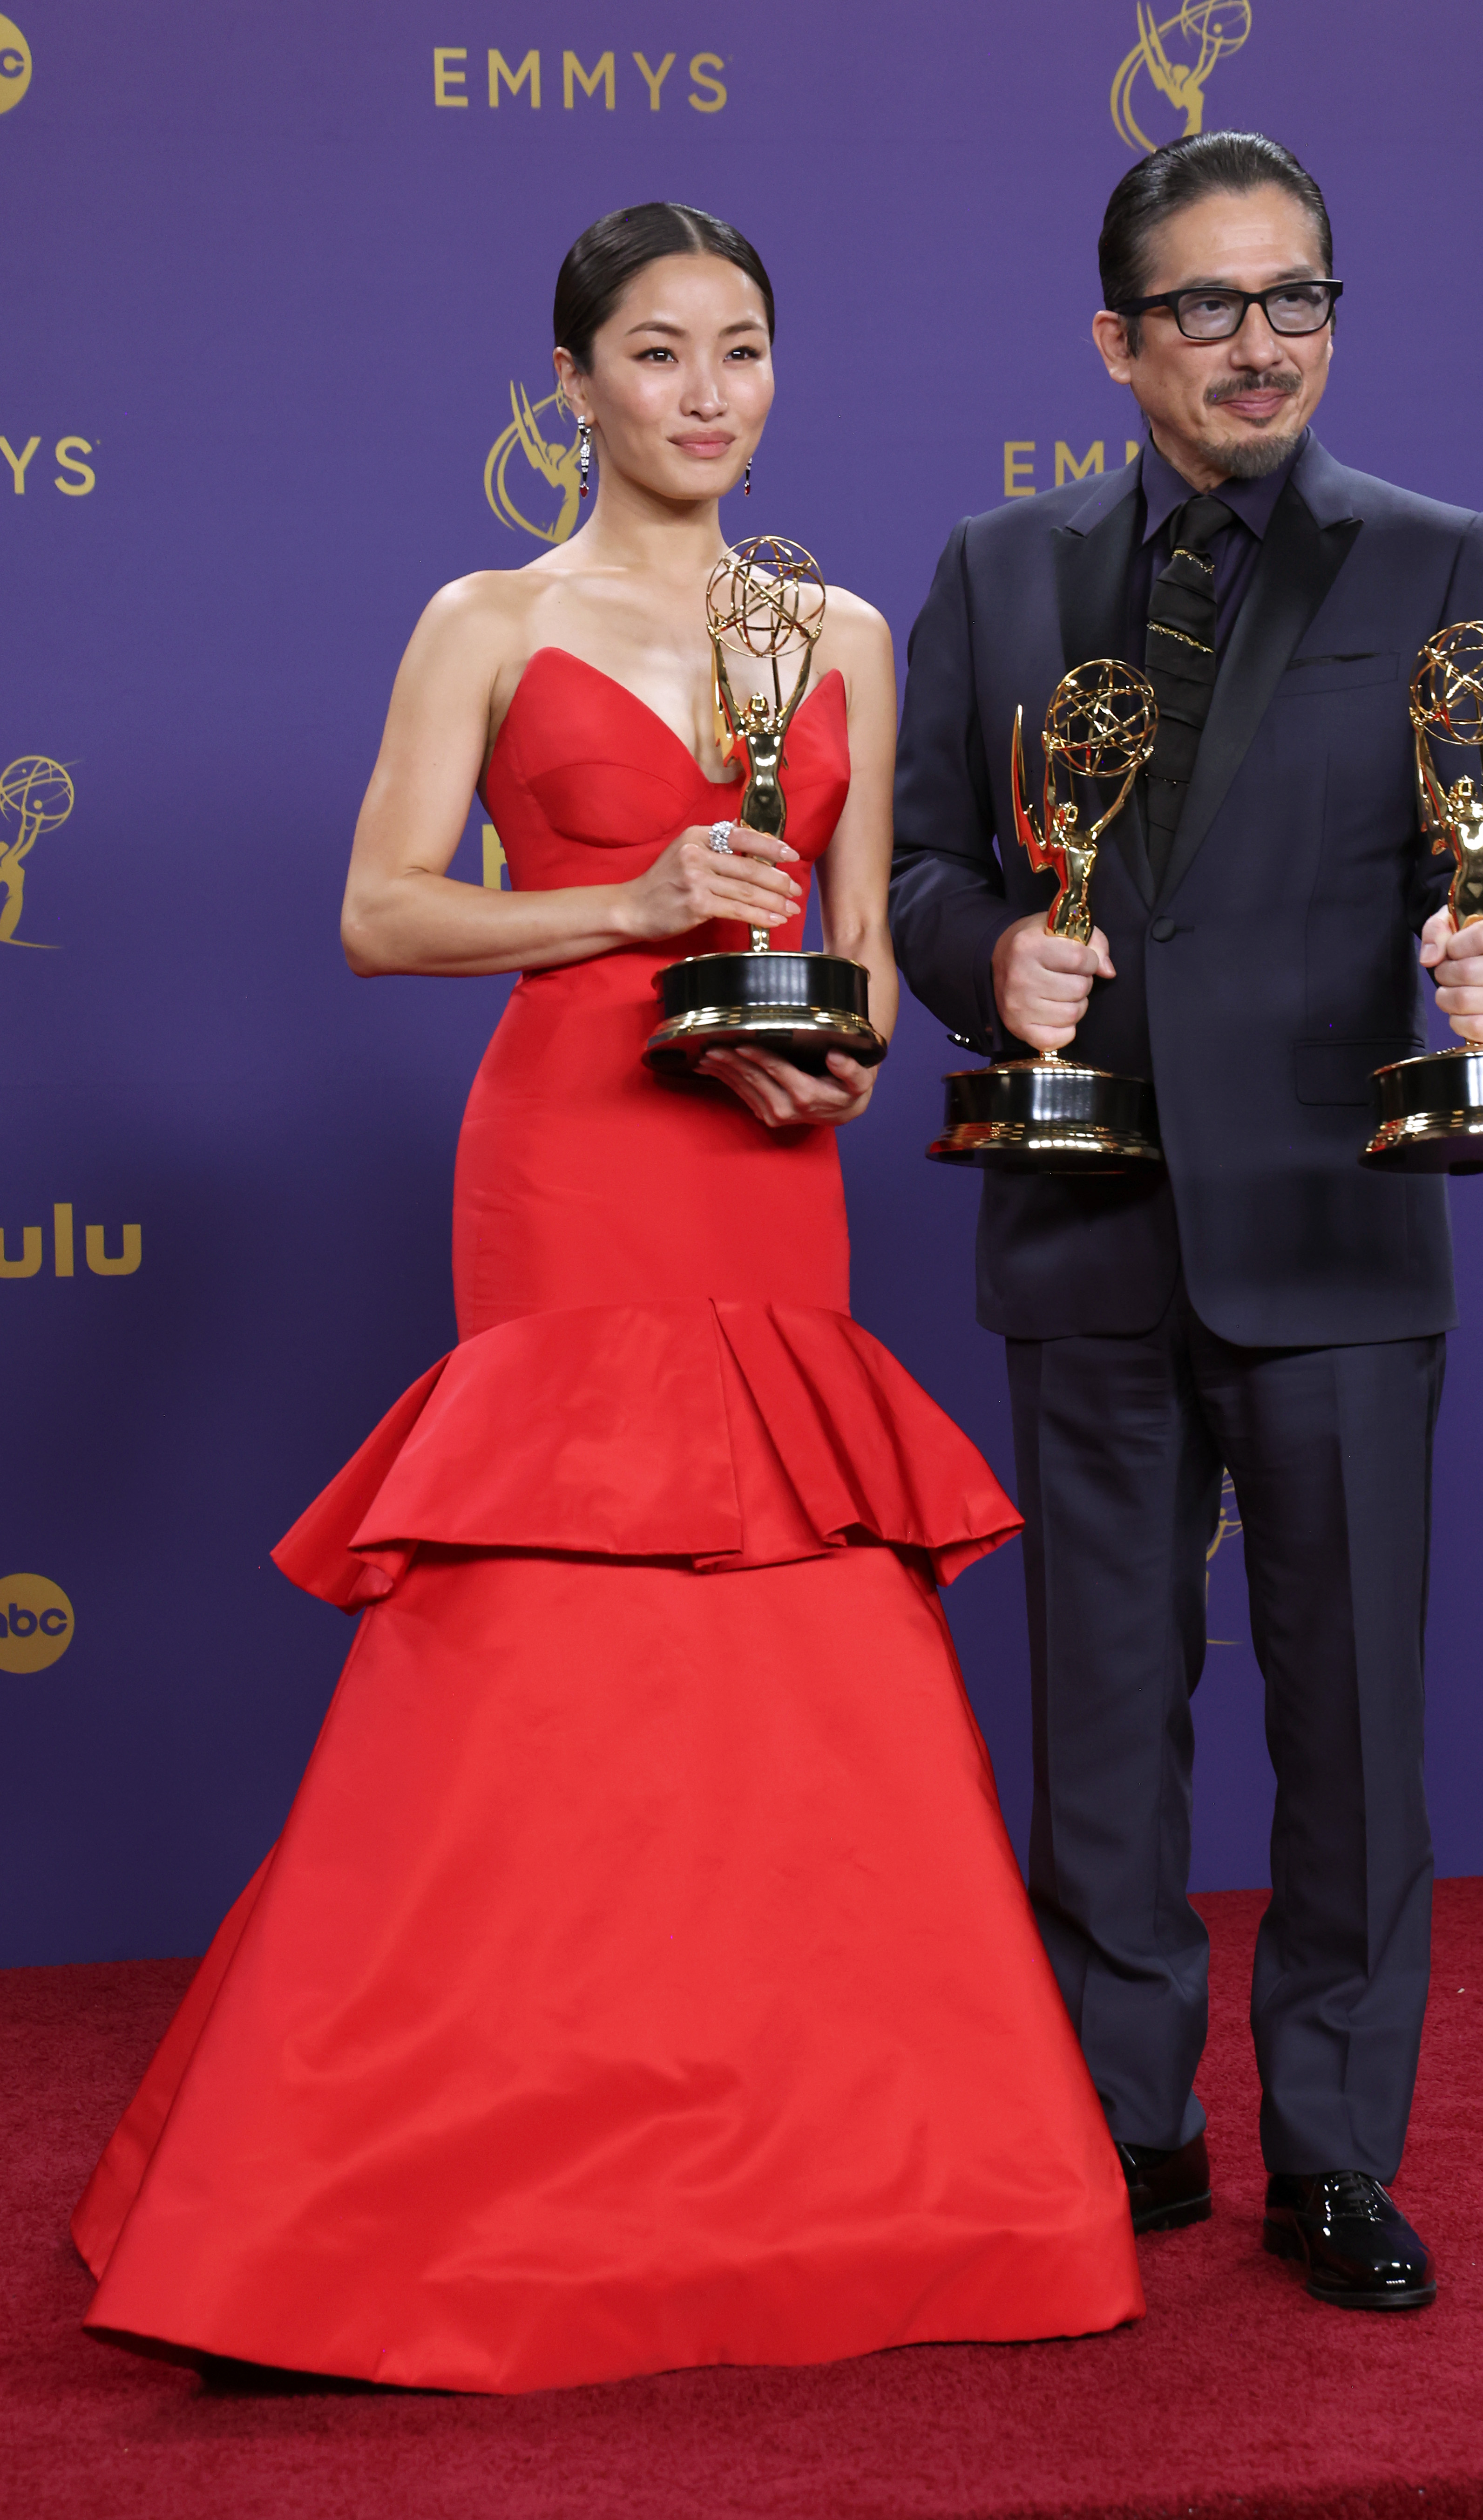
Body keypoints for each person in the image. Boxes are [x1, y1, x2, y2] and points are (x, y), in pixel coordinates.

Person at [72, 202, 1140, 2392]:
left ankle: (870, 2183)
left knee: (794, 1642)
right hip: (567, 1168)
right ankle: (358, 2200)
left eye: (740, 349)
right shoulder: (487, 615)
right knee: (537, 1657)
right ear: (574, 382)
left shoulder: (838, 627)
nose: (704, 393)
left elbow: (850, 949)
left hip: (765, 1185)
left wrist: (823, 1057)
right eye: (657, 354)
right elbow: (383, 910)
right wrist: (628, 903)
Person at [890, 133, 1483, 2312]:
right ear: (1116, 340)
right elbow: (913, 869)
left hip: (1339, 1230)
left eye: (1294, 300)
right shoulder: (996, 570)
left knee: (1349, 1730)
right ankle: (1123, 2133)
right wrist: (983, 959)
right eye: (1204, 306)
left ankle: (1333, 2161)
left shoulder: (1436, 561)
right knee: (1098, 1717)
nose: (1256, 344)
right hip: (1083, 1213)